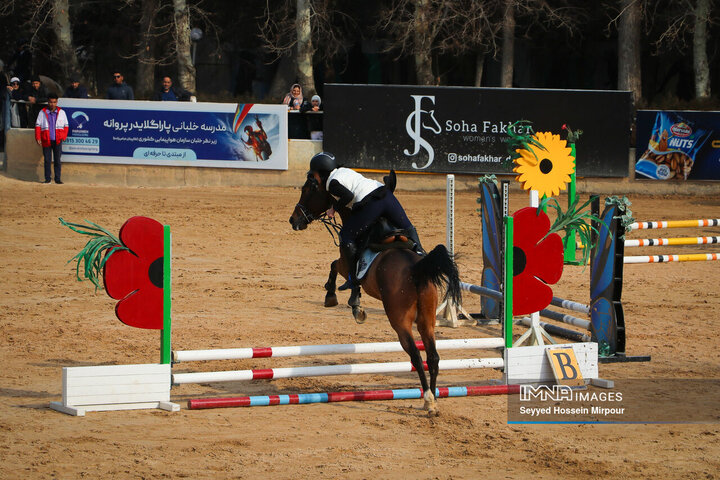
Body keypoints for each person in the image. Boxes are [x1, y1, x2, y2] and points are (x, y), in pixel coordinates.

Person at [307, 152, 424, 298]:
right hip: (386, 194)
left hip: (373, 203)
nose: (314, 178)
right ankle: (421, 254)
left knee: (346, 235)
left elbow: (348, 196)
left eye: (315, 174)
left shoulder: (331, 183)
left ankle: (353, 280)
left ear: (321, 173)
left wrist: (333, 209)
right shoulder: (344, 171)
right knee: (407, 227)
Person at [35, 93, 69, 184]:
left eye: (54, 102)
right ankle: (47, 179)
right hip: (46, 139)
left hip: (57, 139)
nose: (52, 104)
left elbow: (66, 126)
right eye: (50, 102)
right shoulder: (42, 112)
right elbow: (38, 126)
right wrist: (38, 137)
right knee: (47, 160)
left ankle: (57, 179)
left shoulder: (62, 112)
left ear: (57, 102)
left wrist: (64, 136)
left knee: (57, 160)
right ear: (48, 102)